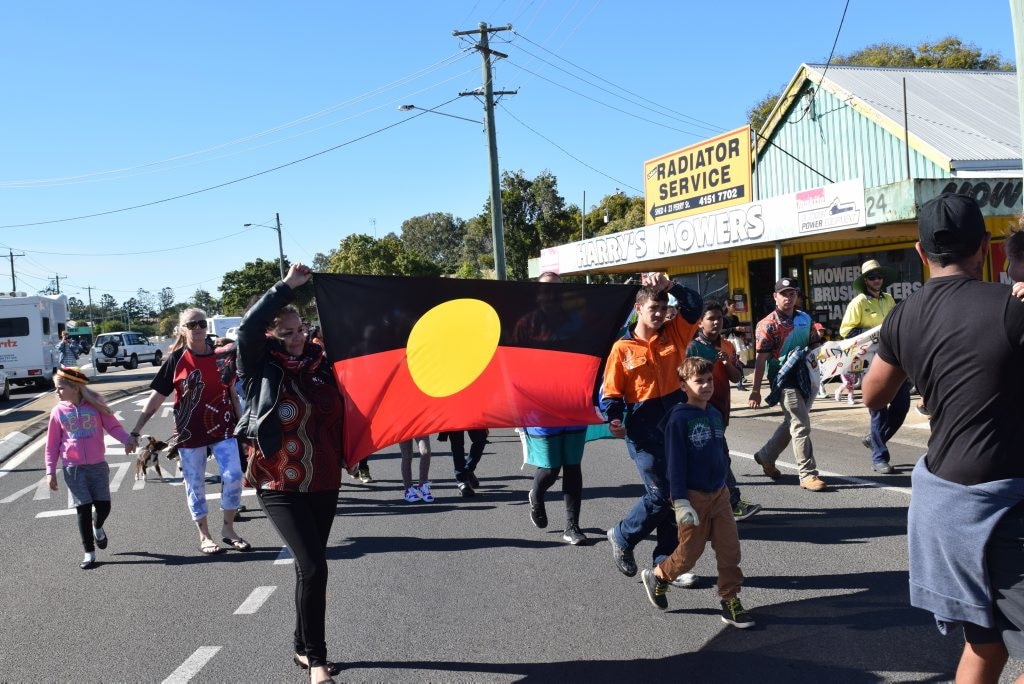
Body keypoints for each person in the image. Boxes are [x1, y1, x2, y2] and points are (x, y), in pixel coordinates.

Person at [863, 193, 1024, 683]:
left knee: (986, 644)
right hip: (1001, 505)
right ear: (986, 246)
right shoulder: (1010, 307)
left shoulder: (902, 316)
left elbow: (873, 394)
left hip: (943, 504)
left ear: (919, 251)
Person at [236, 263, 345, 684]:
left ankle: (301, 646)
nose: (298, 338)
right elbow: (247, 329)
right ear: (270, 336)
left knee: (308, 568)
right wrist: (284, 288)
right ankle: (317, 660)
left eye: (300, 330)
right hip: (277, 481)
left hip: (323, 479)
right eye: (287, 333)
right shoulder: (258, 366)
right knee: (316, 567)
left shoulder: (323, 363)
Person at [603, 272, 703, 581]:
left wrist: (670, 286)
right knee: (663, 493)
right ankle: (623, 535)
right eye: (653, 309)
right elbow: (612, 391)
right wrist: (615, 417)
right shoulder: (622, 348)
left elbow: (694, 307)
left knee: (678, 492)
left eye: (664, 308)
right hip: (642, 428)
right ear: (638, 309)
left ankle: (666, 562)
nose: (660, 315)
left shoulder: (675, 333)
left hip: (674, 423)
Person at [640, 357, 753, 628]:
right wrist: (679, 500)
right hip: (692, 497)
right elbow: (675, 462)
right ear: (683, 385)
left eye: (709, 380)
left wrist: (729, 491)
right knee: (689, 553)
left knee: (730, 550)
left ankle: (730, 599)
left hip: (719, 494)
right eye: (698, 381)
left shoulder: (713, 414)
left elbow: (719, 455)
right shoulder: (679, 418)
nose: (705, 386)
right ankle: (660, 575)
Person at [131, 308, 247, 555]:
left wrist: (243, 427)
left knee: (234, 475)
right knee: (195, 484)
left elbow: (233, 394)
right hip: (190, 433)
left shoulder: (221, 357)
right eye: (192, 324)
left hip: (223, 427)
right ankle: (204, 535)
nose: (198, 328)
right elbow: (155, 399)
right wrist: (136, 430)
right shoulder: (176, 360)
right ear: (182, 330)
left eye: (201, 323)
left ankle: (228, 529)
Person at [516, 271, 590, 546]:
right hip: (541, 407)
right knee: (551, 466)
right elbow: (515, 366)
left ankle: (572, 526)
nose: (552, 295)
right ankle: (536, 492)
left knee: (573, 465)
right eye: (547, 290)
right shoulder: (526, 325)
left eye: (557, 290)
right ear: (538, 294)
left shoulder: (576, 322)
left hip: (571, 402)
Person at [45, 367, 137, 569]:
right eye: (56, 388)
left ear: (75, 388)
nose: (57, 392)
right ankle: (89, 552)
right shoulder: (58, 412)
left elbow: (113, 427)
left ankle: (98, 526)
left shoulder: (96, 406)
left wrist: (127, 439)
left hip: (97, 465)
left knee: (104, 506)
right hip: (73, 468)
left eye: (60, 388)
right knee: (83, 509)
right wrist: (50, 471)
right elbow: (52, 445)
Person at [747, 277, 826, 492]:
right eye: (784, 294)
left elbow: (814, 345)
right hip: (783, 379)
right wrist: (755, 390)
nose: (788, 298)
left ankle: (766, 456)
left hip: (804, 375)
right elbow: (761, 359)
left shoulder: (804, 319)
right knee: (800, 423)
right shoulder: (767, 324)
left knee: (792, 421)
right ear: (775, 297)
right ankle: (808, 474)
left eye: (792, 293)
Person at [686, 302, 761, 521]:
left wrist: (728, 363)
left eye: (719, 318)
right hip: (700, 411)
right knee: (720, 457)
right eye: (711, 318)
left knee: (712, 458)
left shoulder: (727, 345)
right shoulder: (691, 348)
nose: (716, 322)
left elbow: (737, 377)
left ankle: (703, 506)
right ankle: (733, 503)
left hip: (721, 409)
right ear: (700, 322)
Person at [839, 259, 907, 474]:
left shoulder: (888, 298)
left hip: (893, 360)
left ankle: (876, 439)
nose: (876, 280)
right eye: (872, 277)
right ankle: (879, 457)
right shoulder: (858, 303)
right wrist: (873, 333)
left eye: (879, 276)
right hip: (870, 361)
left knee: (901, 406)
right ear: (865, 281)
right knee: (878, 410)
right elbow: (845, 332)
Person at [439, 429, 488, 497]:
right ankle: (462, 480)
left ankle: (468, 469)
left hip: (473, 418)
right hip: (454, 419)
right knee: (457, 445)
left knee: (481, 438)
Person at [722, 300, 750, 390]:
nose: (735, 308)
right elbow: (722, 331)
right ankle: (739, 382)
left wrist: (742, 333)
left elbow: (737, 331)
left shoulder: (735, 318)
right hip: (729, 342)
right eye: (733, 306)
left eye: (735, 306)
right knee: (734, 361)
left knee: (739, 360)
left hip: (737, 341)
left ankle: (740, 381)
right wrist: (735, 328)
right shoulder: (723, 319)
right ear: (728, 306)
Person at [400, 436, 434, 502]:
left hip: (419, 426)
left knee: (425, 452)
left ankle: (423, 484)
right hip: (403, 427)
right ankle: (408, 489)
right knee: (407, 456)